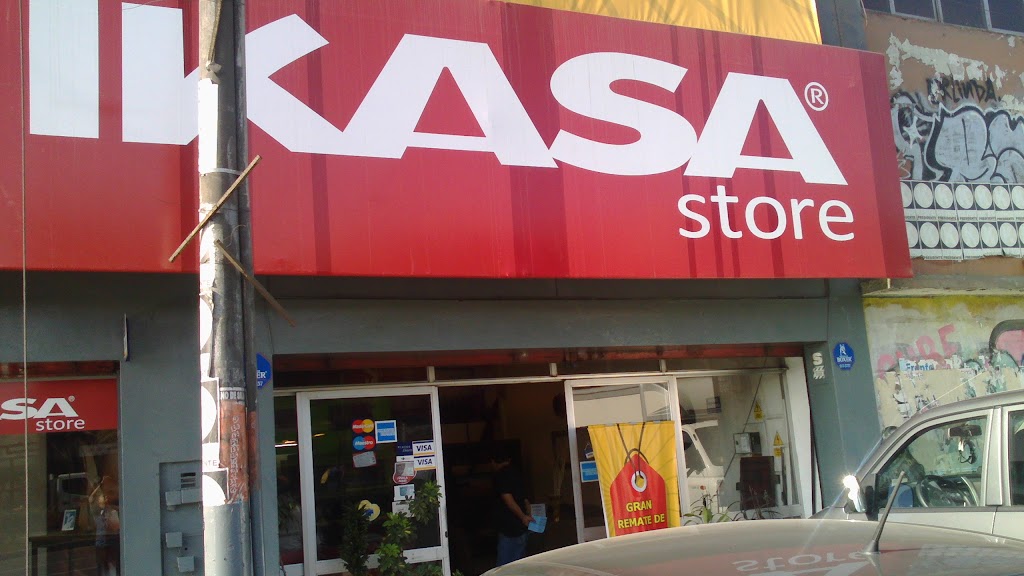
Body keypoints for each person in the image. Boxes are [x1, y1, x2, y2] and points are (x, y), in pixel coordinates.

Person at [492, 445, 533, 567]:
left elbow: (508, 499)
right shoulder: (517, 473)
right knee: (519, 565)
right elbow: (525, 499)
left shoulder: (501, 476)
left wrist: (523, 517)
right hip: (522, 528)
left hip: (509, 529)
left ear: (493, 462)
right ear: (509, 460)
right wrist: (528, 516)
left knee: (504, 568)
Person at [89, 476, 120, 576]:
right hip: (101, 542)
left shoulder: (112, 510)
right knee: (102, 565)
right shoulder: (97, 512)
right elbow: (91, 498)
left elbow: (116, 527)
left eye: (106, 496)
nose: (105, 497)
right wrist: (99, 485)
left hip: (111, 541)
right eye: (103, 496)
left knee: (113, 563)